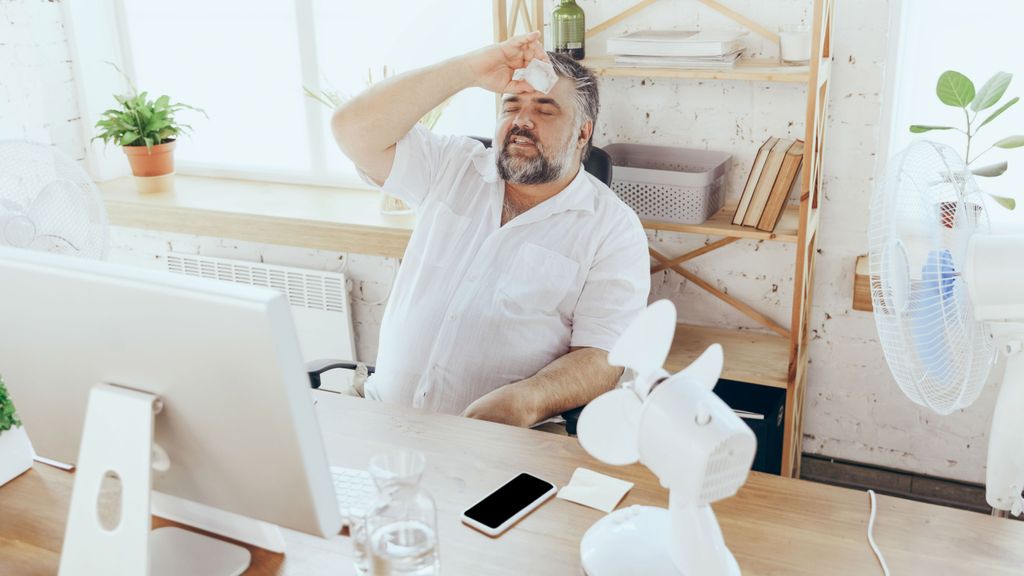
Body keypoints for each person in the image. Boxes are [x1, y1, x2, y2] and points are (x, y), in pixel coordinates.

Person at [331, 31, 650, 428]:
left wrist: (529, 398)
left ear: (583, 133)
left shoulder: (613, 229)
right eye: (511, 106)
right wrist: (466, 70)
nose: (521, 121)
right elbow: (351, 129)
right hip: (384, 420)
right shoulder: (452, 166)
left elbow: (603, 357)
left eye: (545, 110)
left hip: (503, 443)